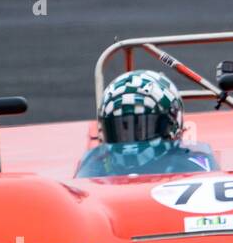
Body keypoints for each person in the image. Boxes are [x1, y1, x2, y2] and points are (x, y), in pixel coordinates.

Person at [76, 70, 218, 177]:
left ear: (171, 124)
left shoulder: (194, 163)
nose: (130, 141)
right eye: (120, 129)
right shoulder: (95, 166)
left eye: (140, 128)